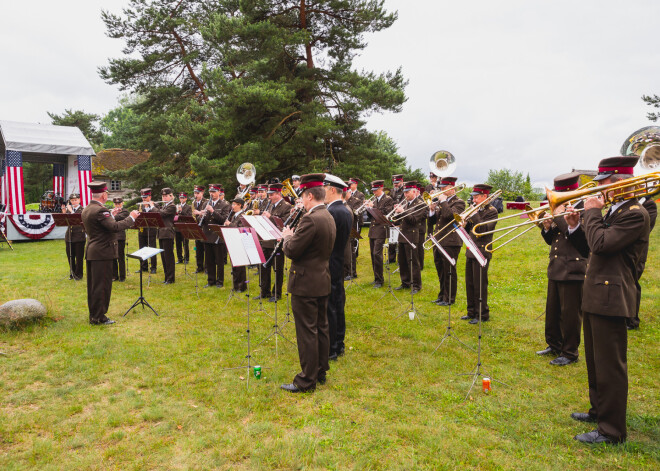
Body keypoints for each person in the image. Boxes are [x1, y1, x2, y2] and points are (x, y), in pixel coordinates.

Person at [570, 156, 650, 445]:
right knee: (595, 361)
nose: (599, 190)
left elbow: (602, 243)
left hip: (612, 296)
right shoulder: (614, 210)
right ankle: (598, 411)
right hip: (596, 292)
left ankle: (612, 430)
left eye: (603, 184)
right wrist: (575, 226)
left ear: (620, 183)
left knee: (610, 365)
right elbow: (591, 249)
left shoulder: (635, 213)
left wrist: (590, 214)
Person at [280, 173, 336, 393]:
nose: (301, 201)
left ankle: (306, 380)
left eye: (303, 196)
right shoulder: (327, 215)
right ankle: (320, 370)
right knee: (321, 328)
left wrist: (287, 236)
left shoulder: (310, 219)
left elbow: (292, 250)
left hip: (305, 283)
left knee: (307, 332)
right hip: (321, 279)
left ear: (310, 195)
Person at [536, 173, 588, 366]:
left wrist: (557, 215)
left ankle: (570, 352)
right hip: (556, 266)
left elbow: (574, 234)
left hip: (573, 268)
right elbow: (552, 240)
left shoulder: (581, 207)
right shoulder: (559, 209)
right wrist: (547, 227)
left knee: (570, 314)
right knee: (553, 311)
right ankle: (554, 344)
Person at [81, 181, 138, 325]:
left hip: (92, 250)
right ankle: (99, 317)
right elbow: (115, 227)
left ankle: (94, 315)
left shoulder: (88, 208)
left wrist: (110, 215)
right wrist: (131, 217)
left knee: (94, 286)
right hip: (103, 252)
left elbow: (100, 225)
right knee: (102, 286)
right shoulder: (101, 211)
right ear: (104, 195)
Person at [323, 174, 352, 360]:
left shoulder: (334, 211)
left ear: (332, 190)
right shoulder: (344, 209)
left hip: (330, 261)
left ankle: (332, 347)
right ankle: (338, 343)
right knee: (338, 303)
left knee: (331, 306)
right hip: (337, 260)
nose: (322, 192)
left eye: (324, 189)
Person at [461, 184, 498, 324]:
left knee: (479, 284)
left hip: (482, 251)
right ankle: (471, 311)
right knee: (470, 283)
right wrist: (465, 223)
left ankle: (482, 314)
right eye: (473, 197)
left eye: (476, 197)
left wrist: (474, 215)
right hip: (471, 250)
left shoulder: (492, 211)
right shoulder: (476, 210)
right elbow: (471, 230)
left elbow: (482, 230)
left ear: (485, 197)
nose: (473, 200)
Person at [428, 176, 466, 305]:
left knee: (449, 270)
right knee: (440, 268)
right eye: (441, 188)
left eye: (444, 188)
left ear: (452, 188)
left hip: (451, 241)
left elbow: (449, 216)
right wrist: (432, 210)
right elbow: (434, 221)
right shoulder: (442, 202)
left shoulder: (459, 202)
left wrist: (443, 202)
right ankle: (442, 295)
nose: (442, 191)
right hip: (439, 239)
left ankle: (449, 298)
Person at [627, 196, 657, 330]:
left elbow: (645, 228)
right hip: (624, 249)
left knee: (633, 283)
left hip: (638, 253)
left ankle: (633, 320)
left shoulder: (649, 205)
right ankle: (625, 316)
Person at [259, 183, 292, 301]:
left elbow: (285, 223)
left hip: (277, 241)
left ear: (279, 194)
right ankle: (264, 291)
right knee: (264, 267)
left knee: (277, 269)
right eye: (269, 195)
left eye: (271, 195)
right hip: (266, 240)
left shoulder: (286, 206)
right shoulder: (270, 205)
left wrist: (270, 217)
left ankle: (276, 294)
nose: (269, 197)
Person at [393, 181, 423, 293]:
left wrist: (403, 211)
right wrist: (397, 213)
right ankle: (405, 282)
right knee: (402, 260)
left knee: (413, 262)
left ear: (414, 192)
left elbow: (414, 220)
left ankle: (416, 285)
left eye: (408, 192)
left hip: (412, 235)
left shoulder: (420, 204)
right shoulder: (405, 203)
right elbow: (400, 220)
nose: (405, 195)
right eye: (405, 192)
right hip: (402, 235)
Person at [200, 183, 231, 288]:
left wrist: (212, 211)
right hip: (207, 234)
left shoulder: (225, 205)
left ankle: (220, 281)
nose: (211, 194)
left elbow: (223, 220)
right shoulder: (206, 204)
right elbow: (204, 221)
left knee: (219, 260)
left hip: (217, 235)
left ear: (219, 192)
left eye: (214, 192)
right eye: (210, 192)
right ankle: (210, 280)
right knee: (209, 260)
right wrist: (201, 216)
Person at [364, 180, 394, 288]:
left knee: (377, 254)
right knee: (373, 254)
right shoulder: (375, 199)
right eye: (373, 190)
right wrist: (368, 208)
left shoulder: (388, 199)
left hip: (381, 229)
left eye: (375, 190)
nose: (374, 192)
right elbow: (371, 216)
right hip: (373, 230)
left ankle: (380, 280)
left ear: (381, 189)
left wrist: (373, 207)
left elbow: (385, 214)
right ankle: (376, 278)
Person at [150, 188, 177, 284]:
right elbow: (159, 210)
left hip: (168, 233)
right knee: (163, 256)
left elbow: (161, 214)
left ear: (171, 196)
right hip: (161, 233)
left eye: (166, 196)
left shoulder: (172, 206)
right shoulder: (164, 206)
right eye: (163, 196)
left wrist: (153, 206)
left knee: (168, 256)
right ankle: (167, 277)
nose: (164, 198)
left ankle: (171, 278)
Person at [224, 197, 248, 293]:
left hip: (240, 242)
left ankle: (241, 286)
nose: (232, 206)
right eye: (232, 204)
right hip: (233, 241)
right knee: (234, 265)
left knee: (240, 265)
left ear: (240, 205)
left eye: (234, 204)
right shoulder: (234, 215)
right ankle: (235, 285)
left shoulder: (243, 215)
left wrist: (229, 224)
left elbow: (241, 229)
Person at [344, 178, 364, 280]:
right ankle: (346, 271)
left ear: (348, 191)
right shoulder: (344, 201)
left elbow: (357, 213)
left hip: (353, 226)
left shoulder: (356, 201)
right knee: (345, 250)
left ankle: (352, 272)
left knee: (351, 250)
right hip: (345, 227)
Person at [62, 193, 85, 280]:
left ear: (79, 200)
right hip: (69, 236)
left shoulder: (83, 209)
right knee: (70, 255)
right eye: (72, 200)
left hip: (79, 235)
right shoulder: (68, 209)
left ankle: (79, 274)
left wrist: (71, 211)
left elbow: (79, 219)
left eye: (76, 200)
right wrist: (64, 212)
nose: (74, 202)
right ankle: (72, 272)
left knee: (79, 257)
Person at [137, 188, 158, 274]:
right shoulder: (140, 205)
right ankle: (143, 266)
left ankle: (153, 267)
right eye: (143, 197)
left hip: (151, 230)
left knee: (152, 248)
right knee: (142, 248)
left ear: (150, 196)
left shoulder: (154, 205)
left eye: (145, 197)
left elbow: (156, 215)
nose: (144, 199)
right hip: (142, 230)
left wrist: (148, 208)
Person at [111, 197, 130, 282]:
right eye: (116, 204)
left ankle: (122, 276)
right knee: (113, 257)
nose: (117, 205)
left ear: (122, 203)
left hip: (120, 236)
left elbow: (117, 218)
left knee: (120, 257)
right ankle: (114, 275)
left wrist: (112, 215)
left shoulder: (125, 211)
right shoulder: (111, 211)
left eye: (119, 204)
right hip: (112, 236)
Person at [388, 174, 405, 263]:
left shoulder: (404, 191)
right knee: (391, 238)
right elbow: (390, 201)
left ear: (401, 181)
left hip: (401, 216)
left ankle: (400, 259)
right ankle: (391, 258)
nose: (395, 184)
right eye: (394, 183)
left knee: (399, 239)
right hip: (393, 216)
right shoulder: (392, 191)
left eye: (397, 183)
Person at [191, 185, 207, 273]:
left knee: (206, 248)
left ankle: (207, 268)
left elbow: (207, 213)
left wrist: (199, 213)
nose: (196, 195)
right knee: (198, 249)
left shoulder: (206, 201)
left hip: (204, 227)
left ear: (202, 193)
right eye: (195, 193)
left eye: (198, 193)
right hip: (196, 227)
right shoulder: (194, 203)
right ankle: (199, 267)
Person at [175, 192, 192, 264]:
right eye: (180, 198)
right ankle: (179, 258)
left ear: (186, 199)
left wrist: (181, 211)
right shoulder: (177, 206)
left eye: (183, 198)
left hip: (185, 227)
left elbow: (189, 216)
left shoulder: (188, 207)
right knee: (178, 244)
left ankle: (186, 258)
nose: (181, 199)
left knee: (185, 244)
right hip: (177, 227)